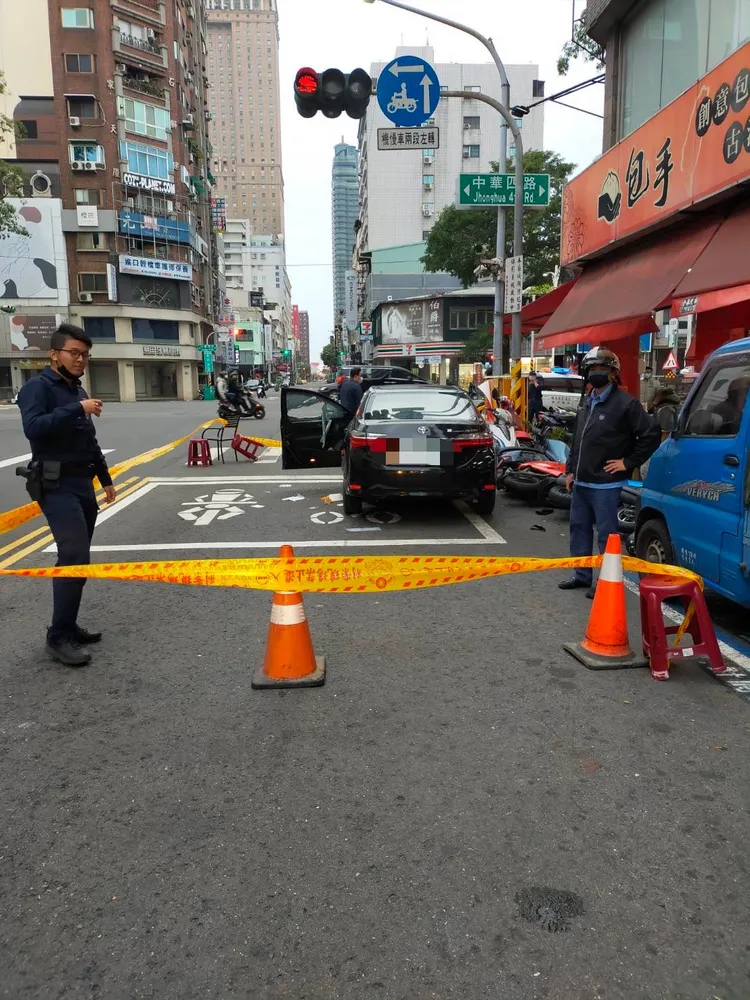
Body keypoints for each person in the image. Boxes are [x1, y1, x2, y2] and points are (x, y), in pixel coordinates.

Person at [16, 323, 116, 666]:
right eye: (74, 353)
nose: (80, 360)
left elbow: (88, 440)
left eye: (85, 355)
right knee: (73, 554)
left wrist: (105, 478)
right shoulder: (37, 388)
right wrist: (78, 408)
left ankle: (68, 624)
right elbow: (33, 428)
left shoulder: (76, 390)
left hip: (82, 484)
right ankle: (58, 637)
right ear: (54, 354)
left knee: (79, 559)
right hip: (55, 485)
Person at [558, 347, 660, 598]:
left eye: (602, 369)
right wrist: (570, 470)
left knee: (607, 536)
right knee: (578, 529)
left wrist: (628, 462)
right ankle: (581, 575)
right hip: (582, 482)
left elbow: (651, 434)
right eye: (592, 369)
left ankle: (606, 581)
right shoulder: (587, 402)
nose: (596, 373)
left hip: (606, 485)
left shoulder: (626, 404)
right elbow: (578, 440)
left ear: (613, 373)